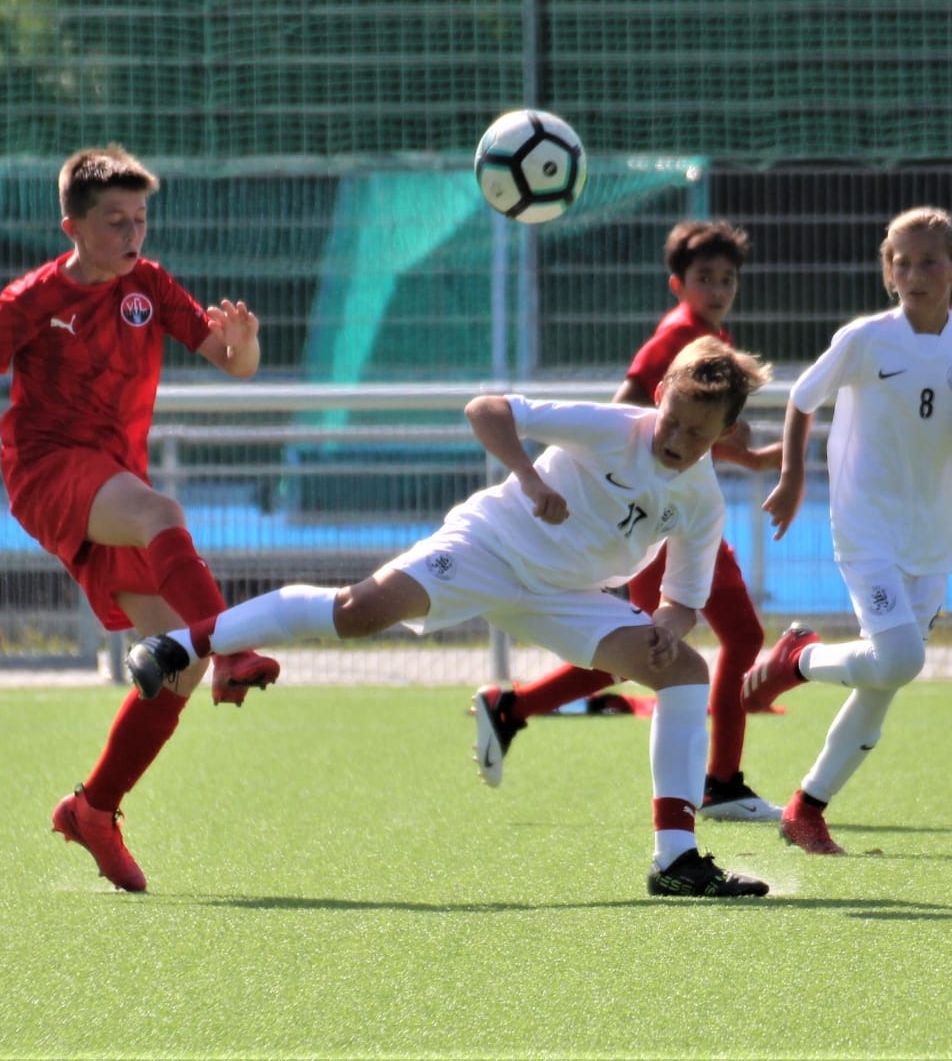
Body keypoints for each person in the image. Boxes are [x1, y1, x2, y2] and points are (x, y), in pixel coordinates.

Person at [126, 337, 775, 898]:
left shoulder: (702, 500)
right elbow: (487, 409)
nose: (676, 440)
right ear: (659, 395)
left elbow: (683, 600)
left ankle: (675, 861)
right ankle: (181, 644)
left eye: (697, 434)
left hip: (568, 595)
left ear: (726, 434)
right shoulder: (612, 427)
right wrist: (530, 479)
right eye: (672, 421)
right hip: (489, 547)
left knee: (684, 671)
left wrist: (666, 627)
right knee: (358, 612)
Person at [0, 144, 281, 892]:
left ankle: (94, 809)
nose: (132, 233)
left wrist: (244, 347)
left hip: (114, 483)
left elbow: (231, 361)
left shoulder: (150, 285)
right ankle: (235, 647)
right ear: (73, 228)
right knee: (162, 515)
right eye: (115, 221)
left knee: (179, 661)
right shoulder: (32, 298)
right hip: (46, 470)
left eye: (140, 218)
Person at [470, 220, 787, 823]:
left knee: (645, 650)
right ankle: (721, 783)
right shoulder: (677, 338)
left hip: (675, 513)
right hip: (659, 523)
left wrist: (748, 458)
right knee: (700, 643)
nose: (718, 289)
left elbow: (688, 438)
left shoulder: (712, 339)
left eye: (727, 279)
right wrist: (629, 495)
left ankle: (514, 708)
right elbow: (631, 420)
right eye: (705, 278)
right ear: (678, 284)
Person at [741, 205, 952, 855]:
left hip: (933, 535)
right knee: (899, 658)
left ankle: (807, 808)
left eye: (929, 263)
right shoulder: (866, 339)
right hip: (866, 524)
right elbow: (802, 399)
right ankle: (798, 660)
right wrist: (793, 477)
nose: (915, 274)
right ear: (887, 271)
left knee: (887, 676)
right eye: (902, 263)